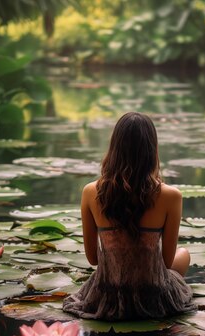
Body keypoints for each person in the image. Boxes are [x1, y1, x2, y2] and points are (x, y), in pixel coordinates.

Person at [63, 112, 195, 320]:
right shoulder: (171, 196)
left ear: (114, 148)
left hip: (107, 293)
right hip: (152, 293)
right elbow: (167, 262)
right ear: (152, 149)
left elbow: (93, 259)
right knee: (184, 254)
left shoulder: (90, 191)